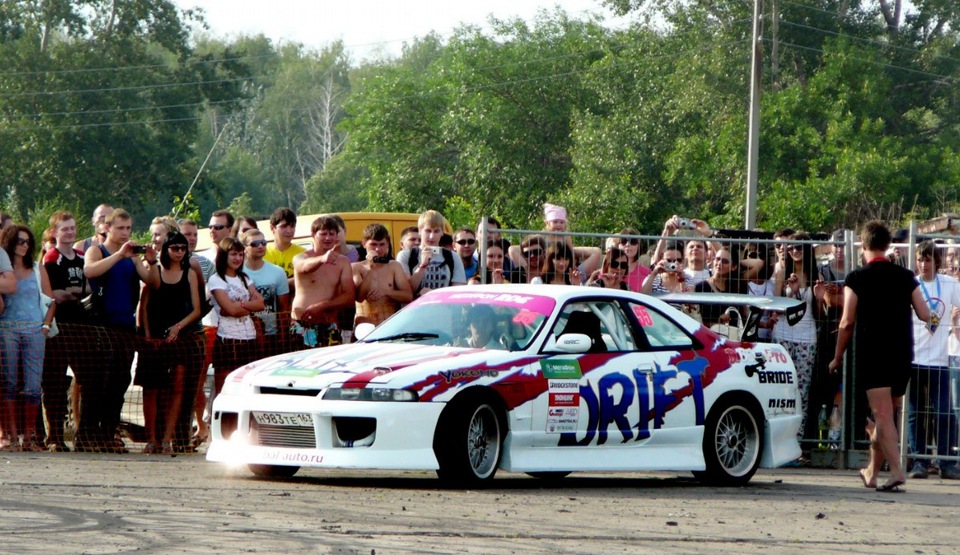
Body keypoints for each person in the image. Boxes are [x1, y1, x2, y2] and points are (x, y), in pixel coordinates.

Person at [829, 220, 930, 492]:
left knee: (882, 416)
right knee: (885, 418)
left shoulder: (857, 278)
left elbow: (847, 321)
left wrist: (837, 356)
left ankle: (896, 472)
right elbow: (924, 313)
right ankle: (872, 473)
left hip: (873, 354)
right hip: (901, 353)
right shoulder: (906, 276)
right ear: (887, 246)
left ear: (863, 246)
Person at [80, 209, 160, 453]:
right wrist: (118, 255)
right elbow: (90, 271)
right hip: (101, 324)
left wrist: (152, 260)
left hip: (126, 325)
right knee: (96, 383)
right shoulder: (97, 249)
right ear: (108, 228)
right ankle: (87, 435)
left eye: (128, 229)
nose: (125, 233)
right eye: (121, 228)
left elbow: (153, 282)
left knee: (119, 382)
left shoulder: (132, 256)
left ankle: (107, 434)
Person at [139, 232, 202, 455]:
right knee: (151, 390)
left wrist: (179, 327)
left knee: (176, 387)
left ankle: (167, 439)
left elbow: (197, 309)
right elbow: (144, 303)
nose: (179, 252)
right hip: (154, 337)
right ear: (165, 249)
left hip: (179, 337)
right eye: (174, 248)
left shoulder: (190, 274)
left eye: (182, 248)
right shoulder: (156, 270)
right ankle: (151, 439)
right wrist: (146, 334)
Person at [906, 241, 960, 480]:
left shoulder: (949, 284)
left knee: (944, 411)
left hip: (939, 359)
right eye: (920, 259)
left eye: (928, 259)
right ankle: (919, 460)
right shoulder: (912, 284)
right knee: (916, 412)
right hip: (915, 358)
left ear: (936, 261)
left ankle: (947, 461)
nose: (924, 264)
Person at [0, 226, 55, 452]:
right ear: (10, 242)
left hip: (34, 329)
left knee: (33, 385)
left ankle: (30, 437)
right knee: (9, 383)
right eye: (20, 241)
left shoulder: (37, 267)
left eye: (27, 242)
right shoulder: (4, 270)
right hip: (7, 327)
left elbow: (51, 300)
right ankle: (12, 437)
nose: (24, 245)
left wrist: (45, 326)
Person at [40, 211, 88, 452]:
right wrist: (73, 293)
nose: (69, 232)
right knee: (55, 382)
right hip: (58, 327)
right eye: (64, 228)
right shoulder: (52, 258)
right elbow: (55, 294)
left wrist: (75, 293)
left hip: (80, 326)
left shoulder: (81, 256)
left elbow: (87, 287)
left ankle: (84, 433)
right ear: (55, 232)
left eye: (72, 227)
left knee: (86, 378)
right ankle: (54, 435)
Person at [773, 233, 820, 441]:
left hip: (806, 337)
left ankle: (796, 440)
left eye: (799, 247)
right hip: (782, 334)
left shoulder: (816, 275)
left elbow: (820, 313)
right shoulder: (782, 272)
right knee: (780, 389)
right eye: (791, 247)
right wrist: (789, 292)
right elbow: (775, 306)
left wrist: (819, 298)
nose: (795, 251)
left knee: (801, 391)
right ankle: (778, 440)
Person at [209, 237, 265, 398]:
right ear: (224, 255)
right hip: (228, 339)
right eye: (233, 254)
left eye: (241, 254)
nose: (238, 258)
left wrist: (239, 305)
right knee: (225, 385)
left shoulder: (245, 278)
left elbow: (260, 303)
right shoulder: (216, 279)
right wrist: (246, 305)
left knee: (247, 385)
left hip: (249, 337)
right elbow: (229, 310)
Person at [291, 216, 356, 348]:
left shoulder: (343, 262)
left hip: (329, 326)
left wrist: (322, 306)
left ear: (337, 236)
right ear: (313, 235)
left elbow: (349, 296)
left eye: (332, 234)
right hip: (302, 324)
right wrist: (322, 259)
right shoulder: (301, 257)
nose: (328, 238)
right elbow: (303, 267)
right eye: (323, 234)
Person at [242, 229, 290, 357]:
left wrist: (283, 337)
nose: (260, 246)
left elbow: (283, 307)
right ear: (244, 247)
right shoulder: (237, 272)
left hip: (272, 335)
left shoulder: (277, 272)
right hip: (245, 334)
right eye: (255, 243)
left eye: (263, 242)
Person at [352, 224, 412, 327]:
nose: (377, 249)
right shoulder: (356, 267)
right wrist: (371, 269)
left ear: (387, 244)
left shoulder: (394, 266)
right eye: (373, 245)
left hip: (388, 325)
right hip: (364, 327)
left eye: (381, 244)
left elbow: (408, 296)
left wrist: (387, 292)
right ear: (364, 243)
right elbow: (360, 297)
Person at [397, 210, 465, 297]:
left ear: (442, 233)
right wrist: (422, 266)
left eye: (436, 231)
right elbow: (406, 293)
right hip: (415, 309)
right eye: (428, 231)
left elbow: (458, 293)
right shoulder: (405, 255)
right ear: (420, 231)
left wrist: (434, 294)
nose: (432, 236)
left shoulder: (453, 256)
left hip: (443, 309)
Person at [694, 245, 745, 328]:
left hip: (734, 337)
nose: (719, 264)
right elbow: (697, 321)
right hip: (709, 337)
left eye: (725, 261)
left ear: (734, 267)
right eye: (717, 259)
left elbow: (743, 317)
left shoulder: (738, 287)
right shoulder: (701, 287)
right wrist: (718, 322)